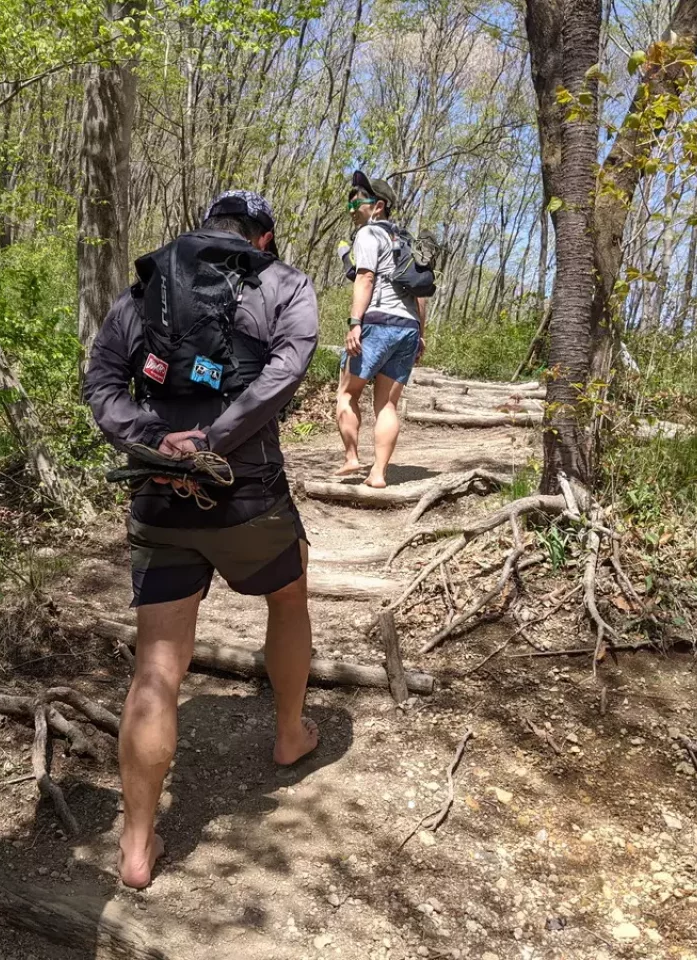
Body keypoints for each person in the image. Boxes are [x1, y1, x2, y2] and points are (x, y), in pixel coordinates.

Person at [84, 189, 319, 890]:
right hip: (247, 496)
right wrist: (212, 440)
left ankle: (136, 845)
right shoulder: (284, 284)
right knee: (289, 595)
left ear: (208, 226)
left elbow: (101, 380)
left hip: (159, 495)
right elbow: (287, 370)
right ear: (262, 237)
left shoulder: (148, 288)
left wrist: (155, 439)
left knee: (157, 665)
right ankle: (289, 734)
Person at [335, 170, 428, 488]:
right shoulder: (407, 242)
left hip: (377, 322)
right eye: (350, 202)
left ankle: (352, 458)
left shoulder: (368, 234)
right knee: (387, 404)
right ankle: (378, 474)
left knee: (347, 393)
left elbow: (365, 278)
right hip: (407, 327)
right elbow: (419, 294)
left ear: (379, 206)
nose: (352, 207)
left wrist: (355, 323)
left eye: (357, 201)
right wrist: (420, 334)